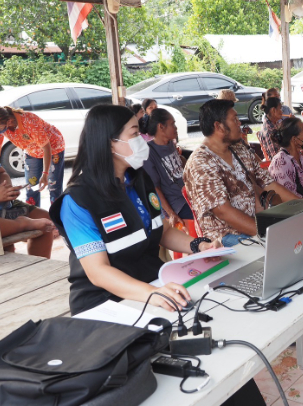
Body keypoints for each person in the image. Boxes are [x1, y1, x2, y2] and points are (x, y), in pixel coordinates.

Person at [48, 105, 265, 405]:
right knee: (155, 381)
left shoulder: (138, 181)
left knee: (214, 353)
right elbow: (98, 272)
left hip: (154, 286)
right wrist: (152, 293)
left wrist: (198, 245)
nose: (142, 140)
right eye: (135, 134)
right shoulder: (78, 201)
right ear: (110, 143)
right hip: (108, 305)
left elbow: (160, 231)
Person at [183, 100, 298, 246]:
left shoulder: (239, 149)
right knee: (284, 246)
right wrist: (268, 234)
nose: (239, 123)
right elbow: (223, 212)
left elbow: (269, 184)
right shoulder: (200, 162)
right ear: (218, 126)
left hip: (256, 222)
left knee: (299, 233)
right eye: (234, 119)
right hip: (224, 236)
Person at [0, 105, 55, 258]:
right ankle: (22, 224)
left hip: (3, 205)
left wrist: (6, 188)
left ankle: (37, 267)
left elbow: (1, 172)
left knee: (48, 221)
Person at [0, 105, 65, 207]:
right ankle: (34, 215)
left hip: (53, 147)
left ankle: (57, 215)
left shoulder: (29, 121)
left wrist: (45, 174)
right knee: (31, 186)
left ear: (9, 121)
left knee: (54, 186)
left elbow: (46, 147)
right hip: (31, 150)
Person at [142, 108, 193, 227]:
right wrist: (171, 213)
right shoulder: (149, 152)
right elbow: (155, 188)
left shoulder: (170, 143)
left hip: (189, 194)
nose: (176, 127)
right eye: (172, 124)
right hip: (177, 204)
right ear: (161, 127)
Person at [268, 117, 303, 198]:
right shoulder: (281, 162)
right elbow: (289, 198)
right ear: (295, 140)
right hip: (293, 205)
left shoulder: (302, 160)